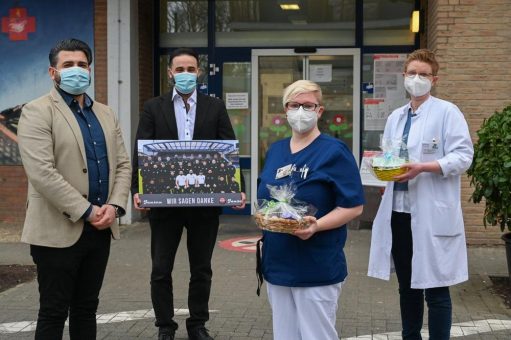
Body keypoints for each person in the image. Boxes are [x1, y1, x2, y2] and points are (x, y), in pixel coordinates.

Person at [16, 38, 132, 340]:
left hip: (100, 228)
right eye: (68, 65)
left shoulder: (106, 113)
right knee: (53, 311)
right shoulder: (37, 111)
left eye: (82, 65)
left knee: (86, 309)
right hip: (57, 231)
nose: (76, 70)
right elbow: (42, 173)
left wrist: (115, 207)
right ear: (53, 72)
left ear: (90, 70)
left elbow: (122, 165)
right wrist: (87, 210)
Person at [131, 47, 246, 340]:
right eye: (179, 69)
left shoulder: (214, 106)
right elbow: (141, 150)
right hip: (164, 204)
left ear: (199, 72)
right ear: (170, 73)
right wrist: (137, 189)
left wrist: (237, 190)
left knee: (202, 269)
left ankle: (197, 325)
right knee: (160, 269)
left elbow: (228, 149)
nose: (185, 74)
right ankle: (165, 327)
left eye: (190, 69)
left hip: (204, 206)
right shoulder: (153, 107)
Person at [367, 49, 474, 340]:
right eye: (412, 73)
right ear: (404, 76)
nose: (417, 79)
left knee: (437, 290)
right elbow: (390, 155)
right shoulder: (396, 117)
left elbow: (464, 156)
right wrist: (381, 167)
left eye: (423, 74)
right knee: (408, 288)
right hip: (399, 213)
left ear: (434, 79)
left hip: (432, 215)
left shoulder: (447, 112)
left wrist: (424, 167)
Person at [257, 79, 365, 340]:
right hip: (277, 264)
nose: (301, 111)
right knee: (285, 336)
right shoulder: (276, 150)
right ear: (285, 109)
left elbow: (354, 206)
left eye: (308, 105)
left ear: (319, 111)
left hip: (316, 265)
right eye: (295, 105)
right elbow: (266, 196)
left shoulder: (334, 151)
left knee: (317, 335)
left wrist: (316, 225)